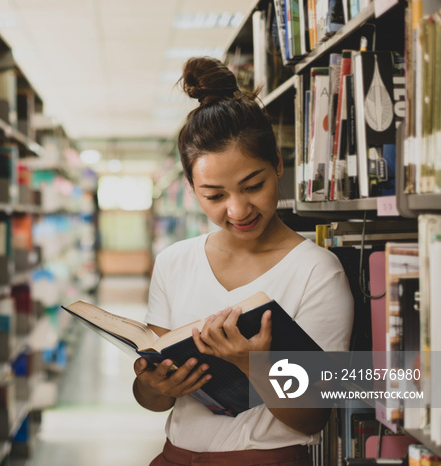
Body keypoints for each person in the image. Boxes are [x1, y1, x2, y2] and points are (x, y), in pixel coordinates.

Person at [132, 57, 354, 465]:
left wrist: (256, 365)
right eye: (214, 196)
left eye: (253, 186)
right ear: (192, 189)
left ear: (278, 167)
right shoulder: (174, 261)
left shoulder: (317, 271)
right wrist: (157, 384)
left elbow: (313, 418)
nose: (238, 210)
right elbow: (152, 402)